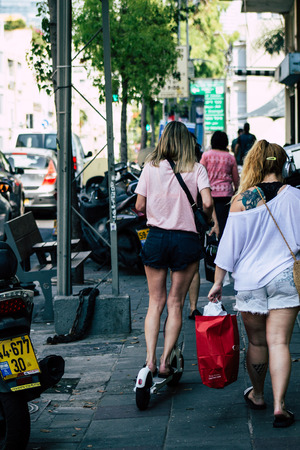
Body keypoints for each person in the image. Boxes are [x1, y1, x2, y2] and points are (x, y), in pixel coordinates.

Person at [208, 140, 300, 428]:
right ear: (282, 164)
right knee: (280, 342)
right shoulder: (295, 196)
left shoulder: (240, 200)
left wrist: (217, 283)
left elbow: (228, 247)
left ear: (255, 164)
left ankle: (258, 395)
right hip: (285, 278)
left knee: (258, 342)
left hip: (248, 282)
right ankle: (280, 407)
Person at [135, 121, 214, 377]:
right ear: (187, 142)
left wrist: (156, 210)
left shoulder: (150, 167)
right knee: (176, 303)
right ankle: (165, 362)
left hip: (156, 238)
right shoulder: (197, 169)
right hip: (186, 239)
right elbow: (207, 202)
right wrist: (206, 217)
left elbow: (139, 205)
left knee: (154, 302)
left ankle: (148, 359)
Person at [200, 130, 239, 238]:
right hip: (225, 196)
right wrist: (236, 191)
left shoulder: (206, 156)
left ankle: (211, 247)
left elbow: (200, 174)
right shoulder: (230, 157)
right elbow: (236, 180)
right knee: (223, 226)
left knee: (210, 225)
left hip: (209, 195)